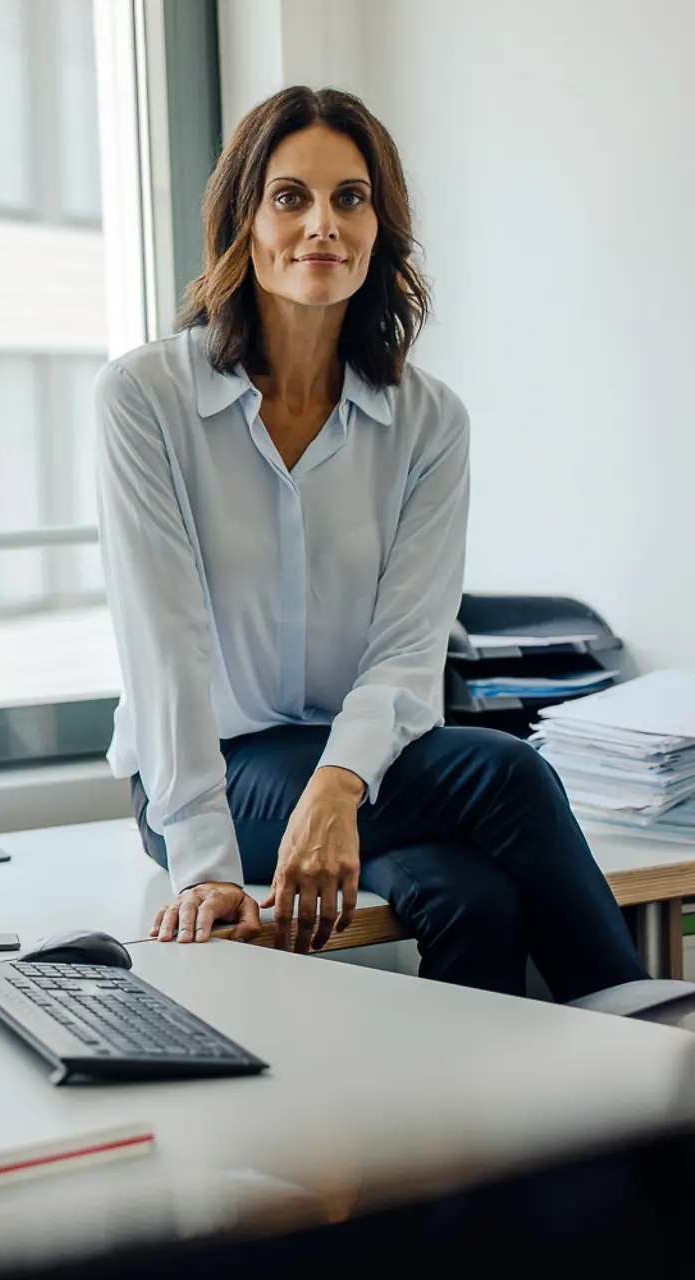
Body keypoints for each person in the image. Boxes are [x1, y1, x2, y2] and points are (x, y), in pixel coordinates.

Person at [95, 85, 647, 1001]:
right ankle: (646, 1039)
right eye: (290, 197)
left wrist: (337, 786)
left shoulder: (428, 420)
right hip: (210, 773)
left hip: (368, 770)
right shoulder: (146, 398)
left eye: (350, 198)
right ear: (243, 221)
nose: (323, 223)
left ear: (379, 227)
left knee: (474, 902)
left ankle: (482, 1102)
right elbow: (166, 650)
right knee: (508, 773)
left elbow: (407, 650)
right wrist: (205, 864)